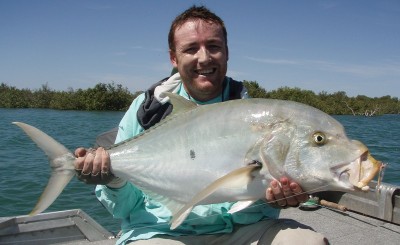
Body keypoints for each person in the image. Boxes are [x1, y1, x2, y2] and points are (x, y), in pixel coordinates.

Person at [75, 5, 327, 245]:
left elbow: (258, 186)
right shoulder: (147, 110)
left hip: (244, 229)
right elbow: (123, 209)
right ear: (174, 57)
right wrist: (112, 179)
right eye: (191, 49)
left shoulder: (255, 111)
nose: (204, 58)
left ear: (227, 52)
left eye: (214, 46)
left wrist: (275, 200)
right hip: (161, 230)